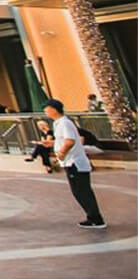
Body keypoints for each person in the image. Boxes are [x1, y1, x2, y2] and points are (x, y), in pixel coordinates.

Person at [45, 98, 106, 229]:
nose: (46, 112)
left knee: (81, 191)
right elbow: (65, 140)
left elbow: (70, 141)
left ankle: (96, 219)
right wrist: (52, 144)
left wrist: (61, 152)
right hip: (70, 162)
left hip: (75, 163)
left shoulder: (64, 123)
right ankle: (93, 217)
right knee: (80, 191)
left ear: (54, 110)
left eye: (47, 109)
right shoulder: (59, 123)